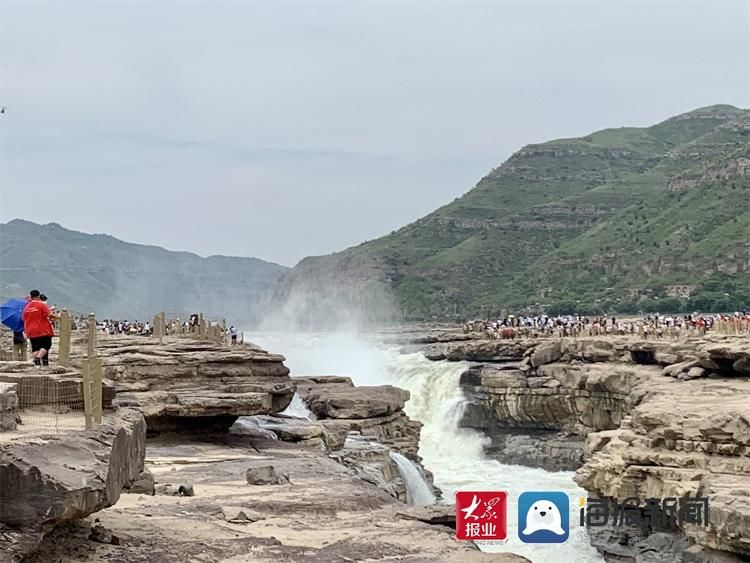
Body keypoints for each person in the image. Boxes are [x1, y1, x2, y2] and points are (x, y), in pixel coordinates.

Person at [22, 289, 59, 366]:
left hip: (30, 330)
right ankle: (38, 359)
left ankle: (37, 364)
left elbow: (23, 318)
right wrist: (59, 317)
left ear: (31, 297)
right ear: (38, 296)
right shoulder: (41, 305)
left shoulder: (26, 307)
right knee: (47, 345)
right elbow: (49, 314)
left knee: (35, 347)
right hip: (42, 330)